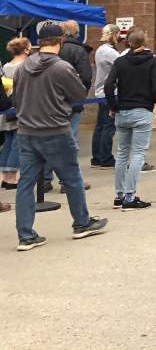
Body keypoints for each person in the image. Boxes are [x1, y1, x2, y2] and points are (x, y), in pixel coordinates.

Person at [13, 22, 107, 249]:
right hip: (55, 130)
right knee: (72, 178)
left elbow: (16, 100)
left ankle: (25, 236)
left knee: (25, 183)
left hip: (26, 132)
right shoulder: (62, 67)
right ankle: (81, 223)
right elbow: (79, 95)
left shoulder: (22, 68)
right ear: (61, 41)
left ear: (38, 42)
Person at [104, 27, 156, 212]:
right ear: (145, 42)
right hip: (142, 109)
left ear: (128, 42)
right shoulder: (152, 61)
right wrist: (151, 101)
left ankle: (119, 195)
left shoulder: (120, 62)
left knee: (122, 153)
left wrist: (113, 105)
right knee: (138, 154)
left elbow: (108, 84)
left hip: (123, 110)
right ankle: (130, 196)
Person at [56, 20, 93, 188]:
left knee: (52, 139)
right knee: (70, 142)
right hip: (72, 103)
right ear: (77, 33)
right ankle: (68, 181)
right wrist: (80, 95)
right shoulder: (79, 50)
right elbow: (86, 77)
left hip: (53, 103)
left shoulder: (55, 49)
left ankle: (46, 181)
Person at [0, 37, 32, 195]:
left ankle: (5, 176)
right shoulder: (25, 66)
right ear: (25, 49)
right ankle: (12, 177)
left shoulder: (7, 66)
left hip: (7, 107)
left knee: (9, 141)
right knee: (17, 142)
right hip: (20, 107)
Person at [90, 24, 122, 167]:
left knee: (101, 126)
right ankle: (105, 158)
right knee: (108, 126)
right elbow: (122, 65)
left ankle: (97, 157)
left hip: (101, 92)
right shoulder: (110, 52)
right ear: (113, 35)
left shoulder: (100, 50)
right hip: (110, 93)